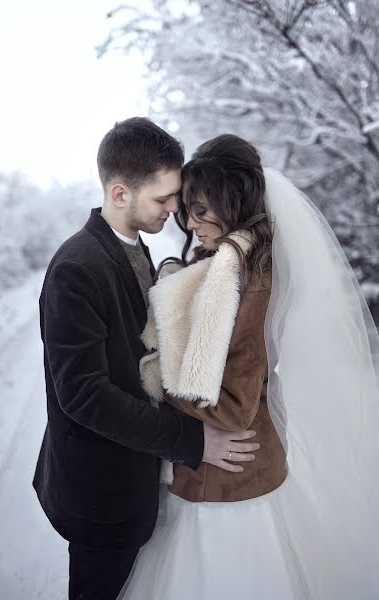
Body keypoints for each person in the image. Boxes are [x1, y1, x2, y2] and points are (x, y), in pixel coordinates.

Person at [118, 134, 379, 599]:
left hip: (230, 486)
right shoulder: (222, 264)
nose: (191, 222)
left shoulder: (246, 280)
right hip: (213, 474)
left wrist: (158, 388)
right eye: (187, 211)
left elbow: (233, 405)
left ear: (231, 201)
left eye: (201, 210)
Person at [32, 120, 260, 600]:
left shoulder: (136, 248)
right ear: (119, 193)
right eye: (163, 199)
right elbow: (84, 395)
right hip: (100, 495)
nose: (175, 209)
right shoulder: (77, 268)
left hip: (136, 480)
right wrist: (192, 439)